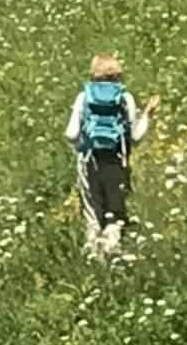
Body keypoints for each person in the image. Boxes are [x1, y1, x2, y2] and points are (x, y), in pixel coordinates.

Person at [64, 53, 158, 257]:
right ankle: (112, 259)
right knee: (114, 216)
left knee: (93, 217)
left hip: (89, 162)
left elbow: (71, 134)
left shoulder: (84, 97)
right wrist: (148, 115)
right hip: (116, 162)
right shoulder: (125, 98)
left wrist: (81, 148)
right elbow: (136, 137)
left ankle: (93, 259)